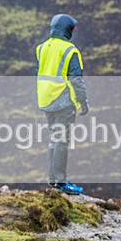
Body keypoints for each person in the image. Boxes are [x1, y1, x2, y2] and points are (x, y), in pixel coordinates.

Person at [35, 14, 89, 195]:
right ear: (67, 29)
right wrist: (83, 101)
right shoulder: (69, 50)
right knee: (61, 141)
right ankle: (61, 182)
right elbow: (77, 80)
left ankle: (54, 181)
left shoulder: (42, 48)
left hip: (46, 99)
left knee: (54, 140)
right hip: (63, 101)